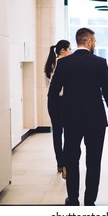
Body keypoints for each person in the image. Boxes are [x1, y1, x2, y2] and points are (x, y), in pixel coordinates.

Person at [48, 27, 108, 206]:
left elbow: (53, 93)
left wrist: (60, 115)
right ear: (88, 41)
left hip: (71, 120)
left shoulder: (63, 64)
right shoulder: (100, 63)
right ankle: (90, 201)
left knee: (71, 160)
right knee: (94, 162)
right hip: (95, 120)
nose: (95, 44)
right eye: (94, 41)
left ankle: (73, 199)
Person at [44, 40, 72, 179]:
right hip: (63, 100)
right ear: (62, 51)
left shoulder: (50, 63)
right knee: (67, 131)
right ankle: (66, 163)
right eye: (69, 49)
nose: (71, 52)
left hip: (52, 101)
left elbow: (47, 84)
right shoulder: (64, 64)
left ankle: (60, 163)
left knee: (57, 132)